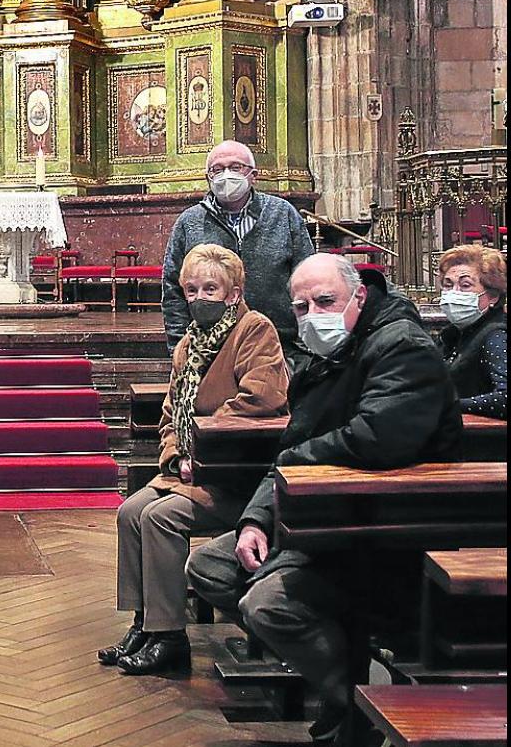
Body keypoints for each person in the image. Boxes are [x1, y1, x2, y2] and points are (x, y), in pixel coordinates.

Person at [186, 254, 463, 745]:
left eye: (325, 300)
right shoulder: (331, 351)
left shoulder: (401, 346)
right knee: (211, 566)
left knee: (268, 605)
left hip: (380, 530)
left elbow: (376, 437)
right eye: (301, 306)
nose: (313, 314)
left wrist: (295, 463)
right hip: (322, 515)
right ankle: (359, 686)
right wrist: (255, 520)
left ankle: (362, 700)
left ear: (359, 296)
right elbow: (295, 451)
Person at [102, 245, 289, 676]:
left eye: (210, 288)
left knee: (161, 518)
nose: (199, 297)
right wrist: (175, 456)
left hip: (236, 474)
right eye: (191, 289)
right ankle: (143, 623)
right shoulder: (188, 344)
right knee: (131, 510)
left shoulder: (253, 330)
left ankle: (170, 637)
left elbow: (263, 398)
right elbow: (170, 415)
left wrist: (202, 447)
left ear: (233, 292)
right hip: (190, 469)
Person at [162, 140, 315, 371]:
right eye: (217, 169)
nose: (226, 175)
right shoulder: (189, 222)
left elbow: (308, 278)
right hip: (209, 349)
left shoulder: (283, 214)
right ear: (208, 178)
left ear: (253, 175)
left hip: (280, 345)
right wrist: (179, 347)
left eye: (235, 167)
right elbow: (173, 288)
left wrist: (306, 343)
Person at [437, 244, 506, 419]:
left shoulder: (495, 335)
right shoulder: (452, 335)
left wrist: (451, 405)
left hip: (483, 442)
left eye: (465, 285)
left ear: (493, 296)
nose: (454, 293)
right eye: (448, 285)